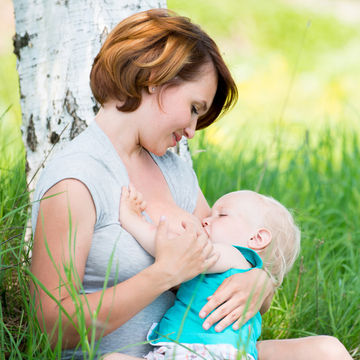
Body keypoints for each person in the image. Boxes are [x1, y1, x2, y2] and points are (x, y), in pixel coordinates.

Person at [30, 8, 353, 360]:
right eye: (195, 107)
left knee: (326, 350)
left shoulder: (175, 169)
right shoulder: (77, 180)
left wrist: (260, 282)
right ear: (155, 78)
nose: (191, 130)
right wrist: (162, 274)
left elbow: (226, 254)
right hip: (129, 356)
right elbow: (52, 327)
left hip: (205, 352)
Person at [112, 185, 301, 360]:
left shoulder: (235, 256)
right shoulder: (237, 268)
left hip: (201, 351)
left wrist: (132, 220)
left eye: (222, 215)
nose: (205, 220)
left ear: (257, 238)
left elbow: (172, 250)